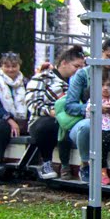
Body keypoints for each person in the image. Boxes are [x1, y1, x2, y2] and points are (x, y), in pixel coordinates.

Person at [25, 46, 86, 179]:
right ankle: (47, 162)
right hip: (44, 120)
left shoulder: (81, 82)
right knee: (49, 125)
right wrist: (51, 112)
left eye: (82, 67)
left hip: (72, 119)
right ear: (64, 63)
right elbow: (32, 103)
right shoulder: (43, 78)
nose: (79, 70)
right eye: (76, 66)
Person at [63, 63, 110, 183]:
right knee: (102, 139)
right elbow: (87, 114)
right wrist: (98, 108)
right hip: (101, 127)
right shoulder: (93, 99)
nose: (105, 88)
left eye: (108, 85)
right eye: (102, 85)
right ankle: (96, 168)